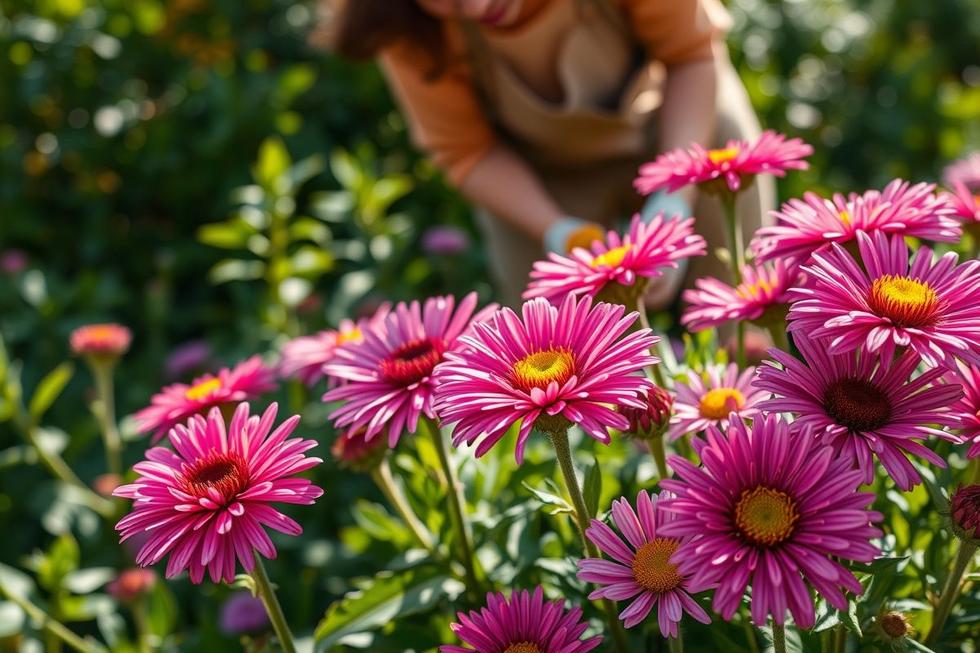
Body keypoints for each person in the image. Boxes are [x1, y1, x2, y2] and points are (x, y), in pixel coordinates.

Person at [323, 0, 774, 306]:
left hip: (675, 125)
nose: (479, 6)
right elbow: (467, 153)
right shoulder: (408, 26)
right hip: (535, 175)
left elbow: (691, 55)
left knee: (742, 291)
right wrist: (556, 231)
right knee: (554, 347)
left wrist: (675, 196)